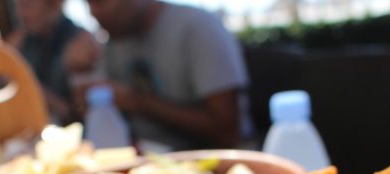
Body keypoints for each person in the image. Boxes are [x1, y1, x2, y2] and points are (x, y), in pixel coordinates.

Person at [68, 0, 252, 150]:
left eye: (100, 1)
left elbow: (227, 130)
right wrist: (81, 74)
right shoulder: (110, 43)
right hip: (146, 161)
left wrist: (138, 102)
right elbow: (91, 121)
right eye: (88, 3)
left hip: (213, 161)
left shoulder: (198, 27)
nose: (93, 12)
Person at [8, 0, 100, 124]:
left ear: (55, 4)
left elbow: (76, 114)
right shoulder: (23, 41)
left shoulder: (80, 43)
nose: (21, 14)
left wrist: (29, 88)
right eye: (18, 7)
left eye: (27, 5)